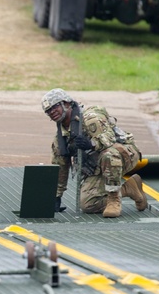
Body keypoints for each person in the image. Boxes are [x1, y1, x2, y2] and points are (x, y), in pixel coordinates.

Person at [42, 88, 147, 218]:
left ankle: (114, 199)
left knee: (108, 154)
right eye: (48, 111)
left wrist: (91, 144)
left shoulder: (90, 118)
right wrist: (56, 196)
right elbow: (61, 166)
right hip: (97, 166)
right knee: (88, 204)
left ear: (67, 103)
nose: (52, 112)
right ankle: (129, 189)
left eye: (55, 107)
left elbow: (109, 138)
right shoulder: (61, 139)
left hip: (123, 155)